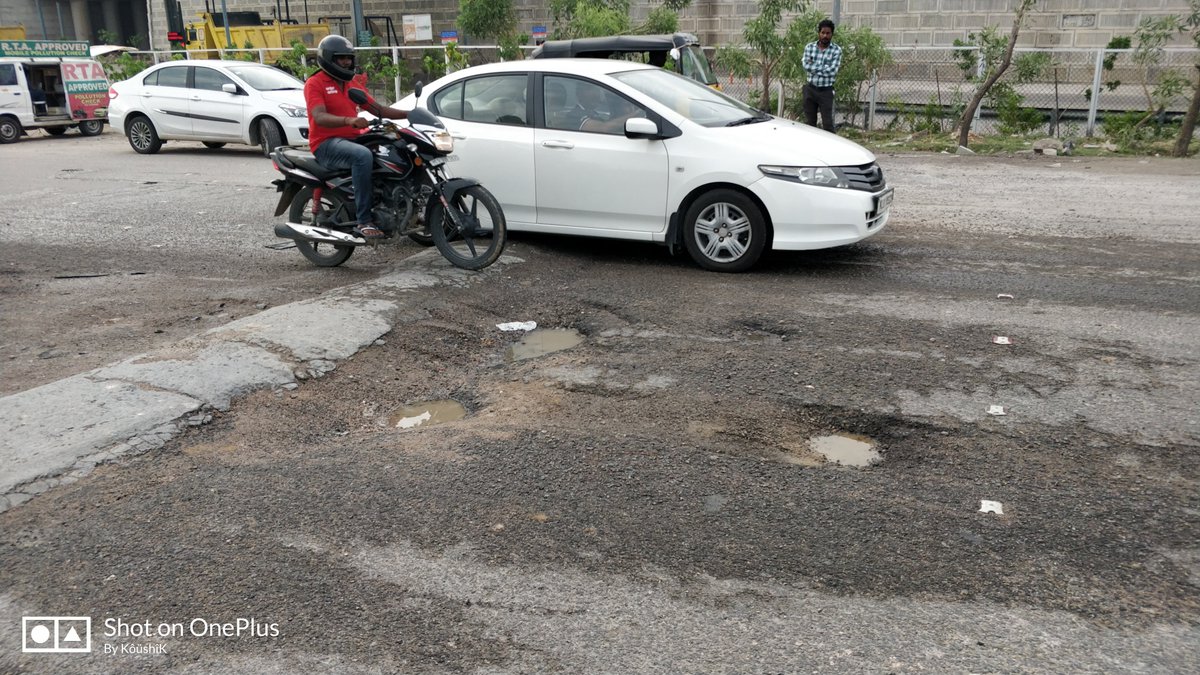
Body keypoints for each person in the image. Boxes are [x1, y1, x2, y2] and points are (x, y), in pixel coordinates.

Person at [304, 34, 409, 239]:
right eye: (341, 58)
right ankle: (364, 220)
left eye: (349, 58)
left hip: (353, 138)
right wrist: (348, 121)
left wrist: (410, 114)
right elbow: (319, 116)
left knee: (394, 148)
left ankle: (399, 209)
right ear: (328, 59)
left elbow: (377, 108)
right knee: (362, 156)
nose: (346, 62)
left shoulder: (351, 83)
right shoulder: (315, 83)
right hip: (326, 143)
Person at [801, 18, 842, 133]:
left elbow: (832, 71)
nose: (825, 36)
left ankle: (830, 149)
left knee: (828, 124)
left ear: (832, 34)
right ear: (819, 33)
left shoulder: (836, 50)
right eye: (823, 33)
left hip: (826, 91)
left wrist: (814, 66)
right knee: (810, 123)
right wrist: (823, 69)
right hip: (810, 89)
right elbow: (805, 65)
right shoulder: (810, 47)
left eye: (828, 33)